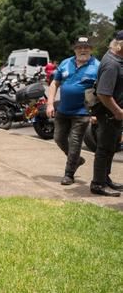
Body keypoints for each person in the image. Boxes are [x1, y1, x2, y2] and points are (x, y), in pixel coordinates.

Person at [46, 37, 100, 186]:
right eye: (79, 47)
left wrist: (96, 112)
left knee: (75, 142)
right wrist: (50, 104)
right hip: (63, 110)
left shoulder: (97, 66)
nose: (83, 50)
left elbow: (101, 91)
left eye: (86, 47)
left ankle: (69, 174)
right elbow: (54, 83)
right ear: (74, 49)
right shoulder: (65, 63)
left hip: (82, 112)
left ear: (91, 49)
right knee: (58, 138)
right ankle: (77, 160)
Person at [90, 30, 123, 197]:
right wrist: (118, 112)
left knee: (110, 147)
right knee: (104, 149)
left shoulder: (116, 60)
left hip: (112, 115)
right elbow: (103, 93)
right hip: (110, 114)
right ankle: (98, 184)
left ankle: (105, 179)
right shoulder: (112, 64)